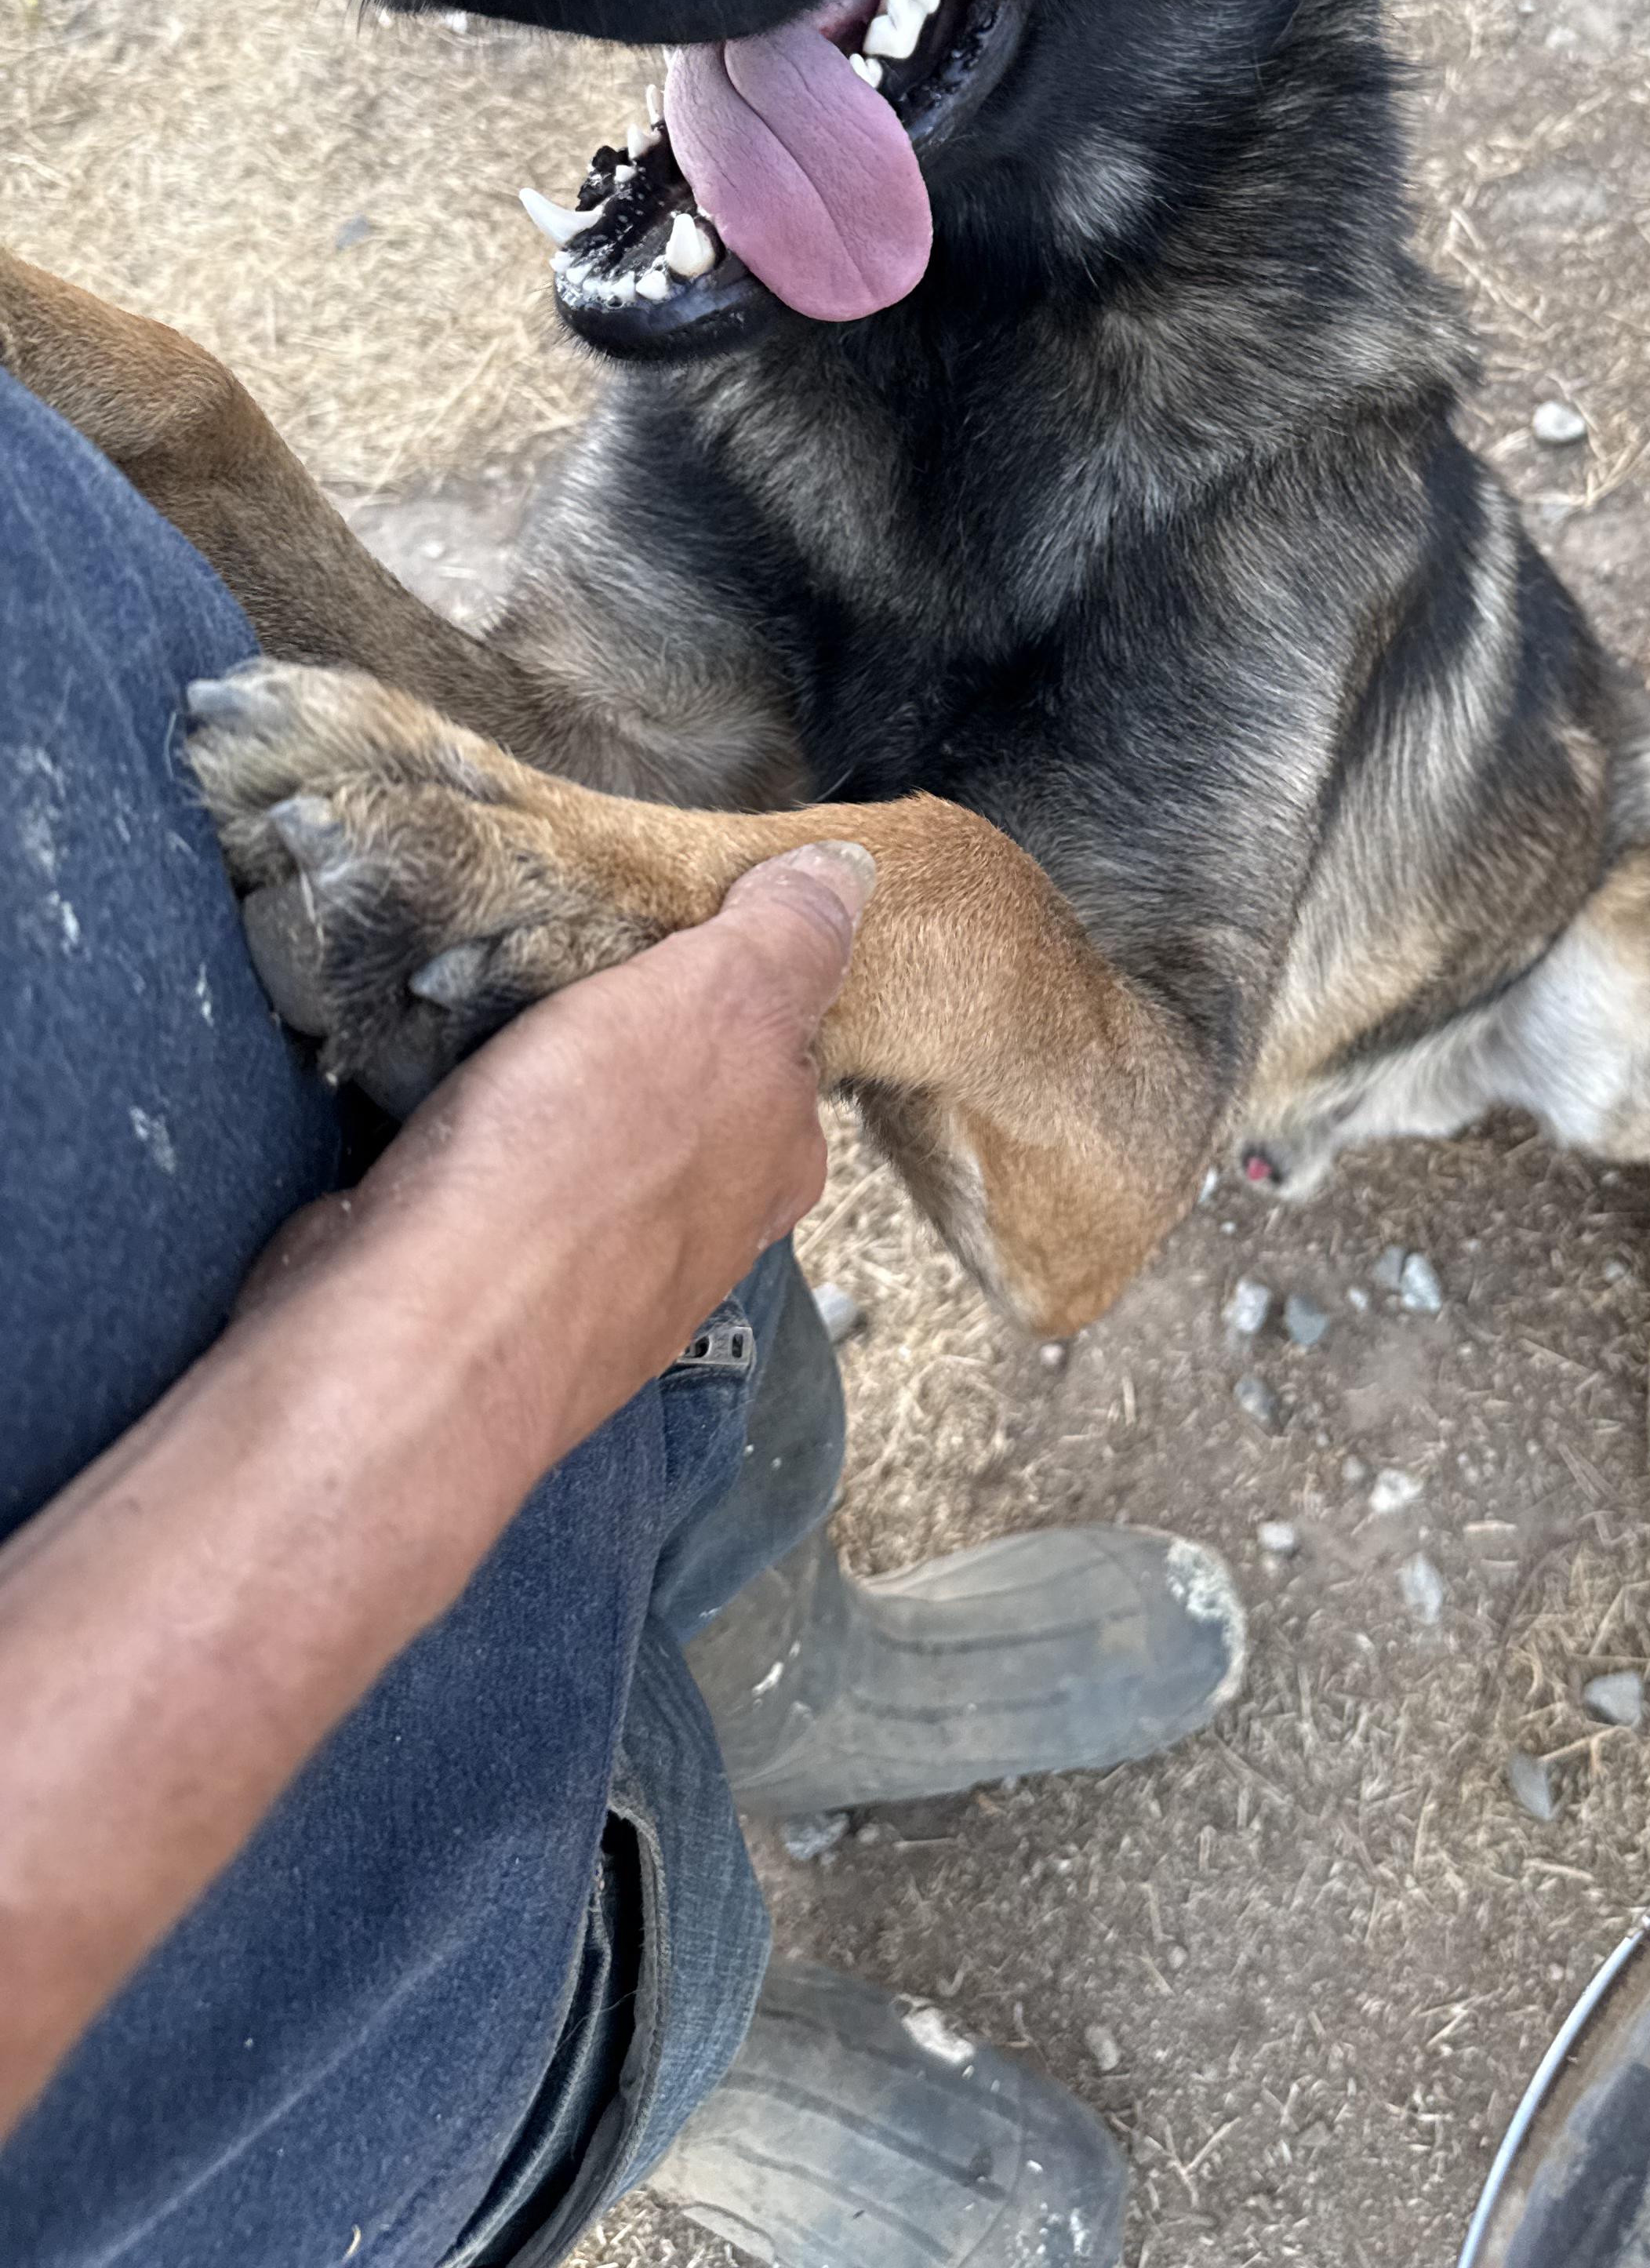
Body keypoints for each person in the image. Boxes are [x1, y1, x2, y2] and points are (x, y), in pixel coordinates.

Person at [0, 368, 1245, 2268]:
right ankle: (681, 2063)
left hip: (459, 1066)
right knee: (540, 1989)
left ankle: (810, 1681)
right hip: (265, 2060)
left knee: (738, 1451)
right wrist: (447, 1357)